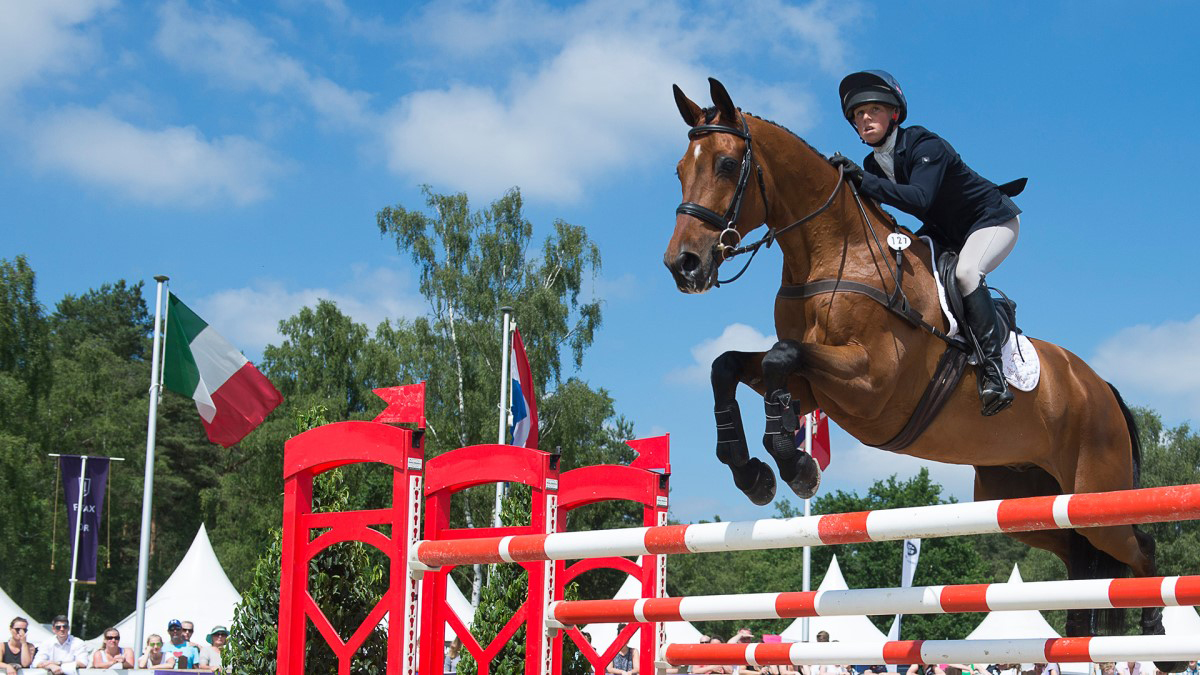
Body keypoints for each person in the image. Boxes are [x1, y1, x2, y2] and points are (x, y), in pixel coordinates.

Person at [830, 70, 1023, 416]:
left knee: (966, 274)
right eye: (858, 114)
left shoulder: (924, 144)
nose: (864, 118)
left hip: (990, 221)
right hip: (944, 230)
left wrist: (863, 181)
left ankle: (993, 373)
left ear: (894, 115)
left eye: (873, 109)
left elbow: (919, 198)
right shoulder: (873, 163)